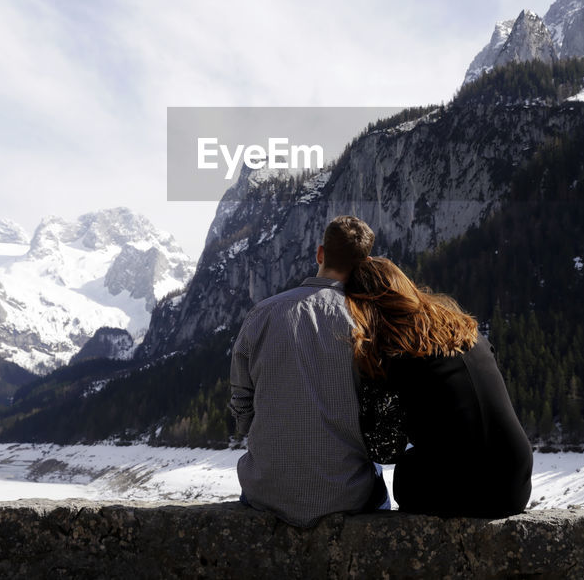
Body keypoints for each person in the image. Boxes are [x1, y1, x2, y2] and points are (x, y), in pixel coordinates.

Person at [228, 214, 388, 527]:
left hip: (265, 490)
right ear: (366, 263)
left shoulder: (261, 313)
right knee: (377, 483)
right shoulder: (368, 323)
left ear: (319, 253)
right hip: (346, 494)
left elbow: (241, 403)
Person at [344, 256, 532, 518]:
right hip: (515, 484)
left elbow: (385, 449)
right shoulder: (465, 330)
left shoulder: (395, 350)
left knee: (407, 469)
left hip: (460, 488)